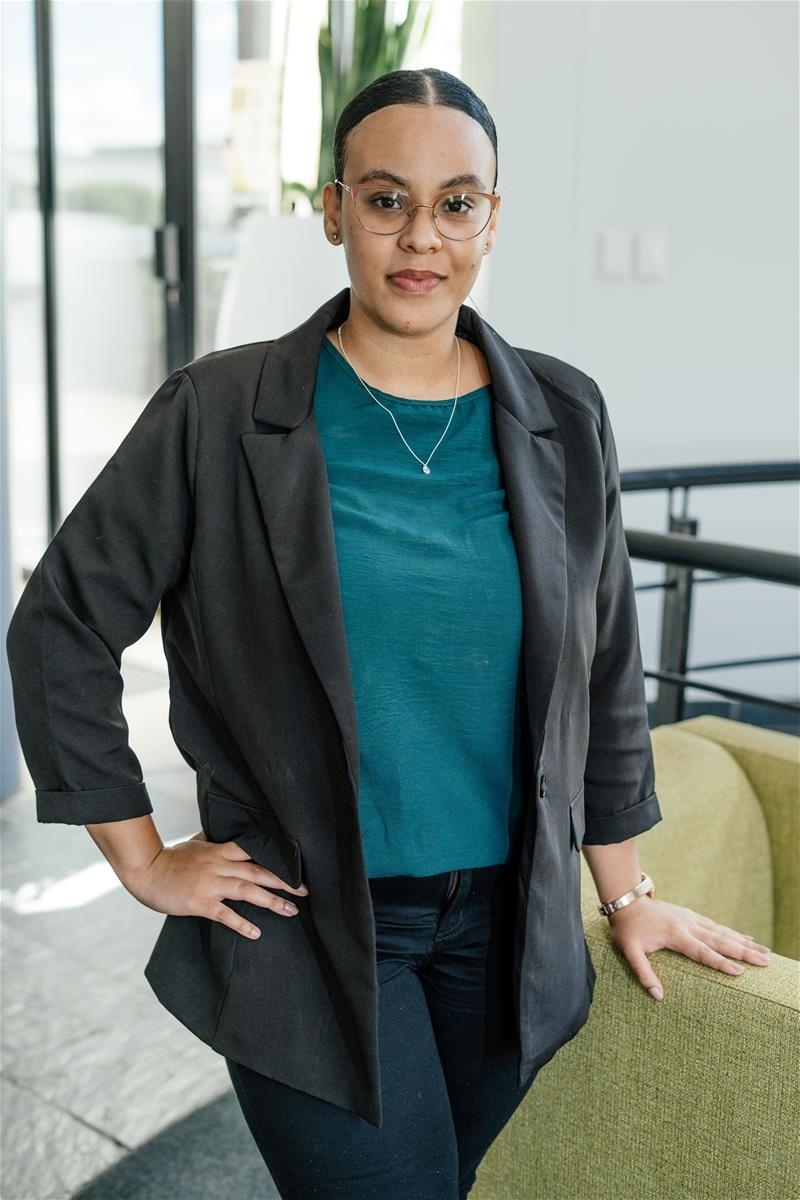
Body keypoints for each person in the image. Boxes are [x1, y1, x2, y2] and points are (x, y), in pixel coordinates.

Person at [6, 68, 770, 1200]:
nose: (421, 237)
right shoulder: (219, 411)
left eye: (456, 204)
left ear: (491, 220)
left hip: (505, 928)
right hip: (308, 924)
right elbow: (61, 624)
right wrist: (145, 859)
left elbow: (603, 671)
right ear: (333, 211)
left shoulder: (564, 411)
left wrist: (624, 892)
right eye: (384, 199)